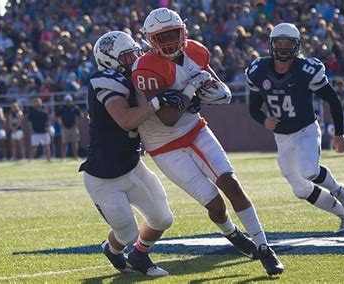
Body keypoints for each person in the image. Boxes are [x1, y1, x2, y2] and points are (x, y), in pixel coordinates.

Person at [132, 8, 283, 276]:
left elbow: (211, 81)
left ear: (184, 33)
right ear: (150, 40)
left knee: (230, 182)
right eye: (161, 37)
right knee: (214, 204)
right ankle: (233, 234)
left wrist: (216, 91)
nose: (168, 41)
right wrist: (191, 89)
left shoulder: (196, 51)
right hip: (163, 143)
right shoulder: (146, 67)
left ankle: (263, 247)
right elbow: (168, 117)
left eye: (172, 34)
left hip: (194, 127)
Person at [79, 31, 184, 276]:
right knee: (127, 234)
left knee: (162, 219)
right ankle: (112, 249)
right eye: (127, 57)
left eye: (135, 53)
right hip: (103, 177)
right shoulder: (104, 80)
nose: (135, 60)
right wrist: (158, 102)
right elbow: (126, 120)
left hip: (132, 166)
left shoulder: (136, 77)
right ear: (109, 60)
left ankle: (140, 256)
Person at [246, 23, 344, 235]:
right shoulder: (259, 70)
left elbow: (333, 99)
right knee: (301, 189)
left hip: (305, 129)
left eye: (287, 44)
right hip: (281, 136)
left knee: (309, 170)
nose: (282, 48)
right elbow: (253, 107)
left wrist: (338, 134)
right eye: (278, 44)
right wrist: (263, 120)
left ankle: (340, 192)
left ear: (296, 46)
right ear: (271, 45)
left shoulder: (306, 70)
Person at [56, 94, 82, 161]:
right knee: (64, 143)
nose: (68, 102)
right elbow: (57, 116)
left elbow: (80, 115)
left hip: (73, 127)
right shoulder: (61, 108)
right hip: (64, 127)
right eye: (67, 101)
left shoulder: (75, 107)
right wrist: (61, 124)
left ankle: (76, 157)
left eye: (69, 101)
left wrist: (76, 123)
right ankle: (64, 158)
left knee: (75, 142)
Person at [27, 98, 51, 162]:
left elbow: (47, 122)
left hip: (44, 131)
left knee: (46, 146)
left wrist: (48, 130)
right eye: (36, 102)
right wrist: (31, 130)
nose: (37, 104)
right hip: (35, 132)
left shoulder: (44, 112)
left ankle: (48, 159)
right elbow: (30, 123)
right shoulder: (31, 112)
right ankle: (31, 159)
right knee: (34, 147)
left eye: (38, 102)